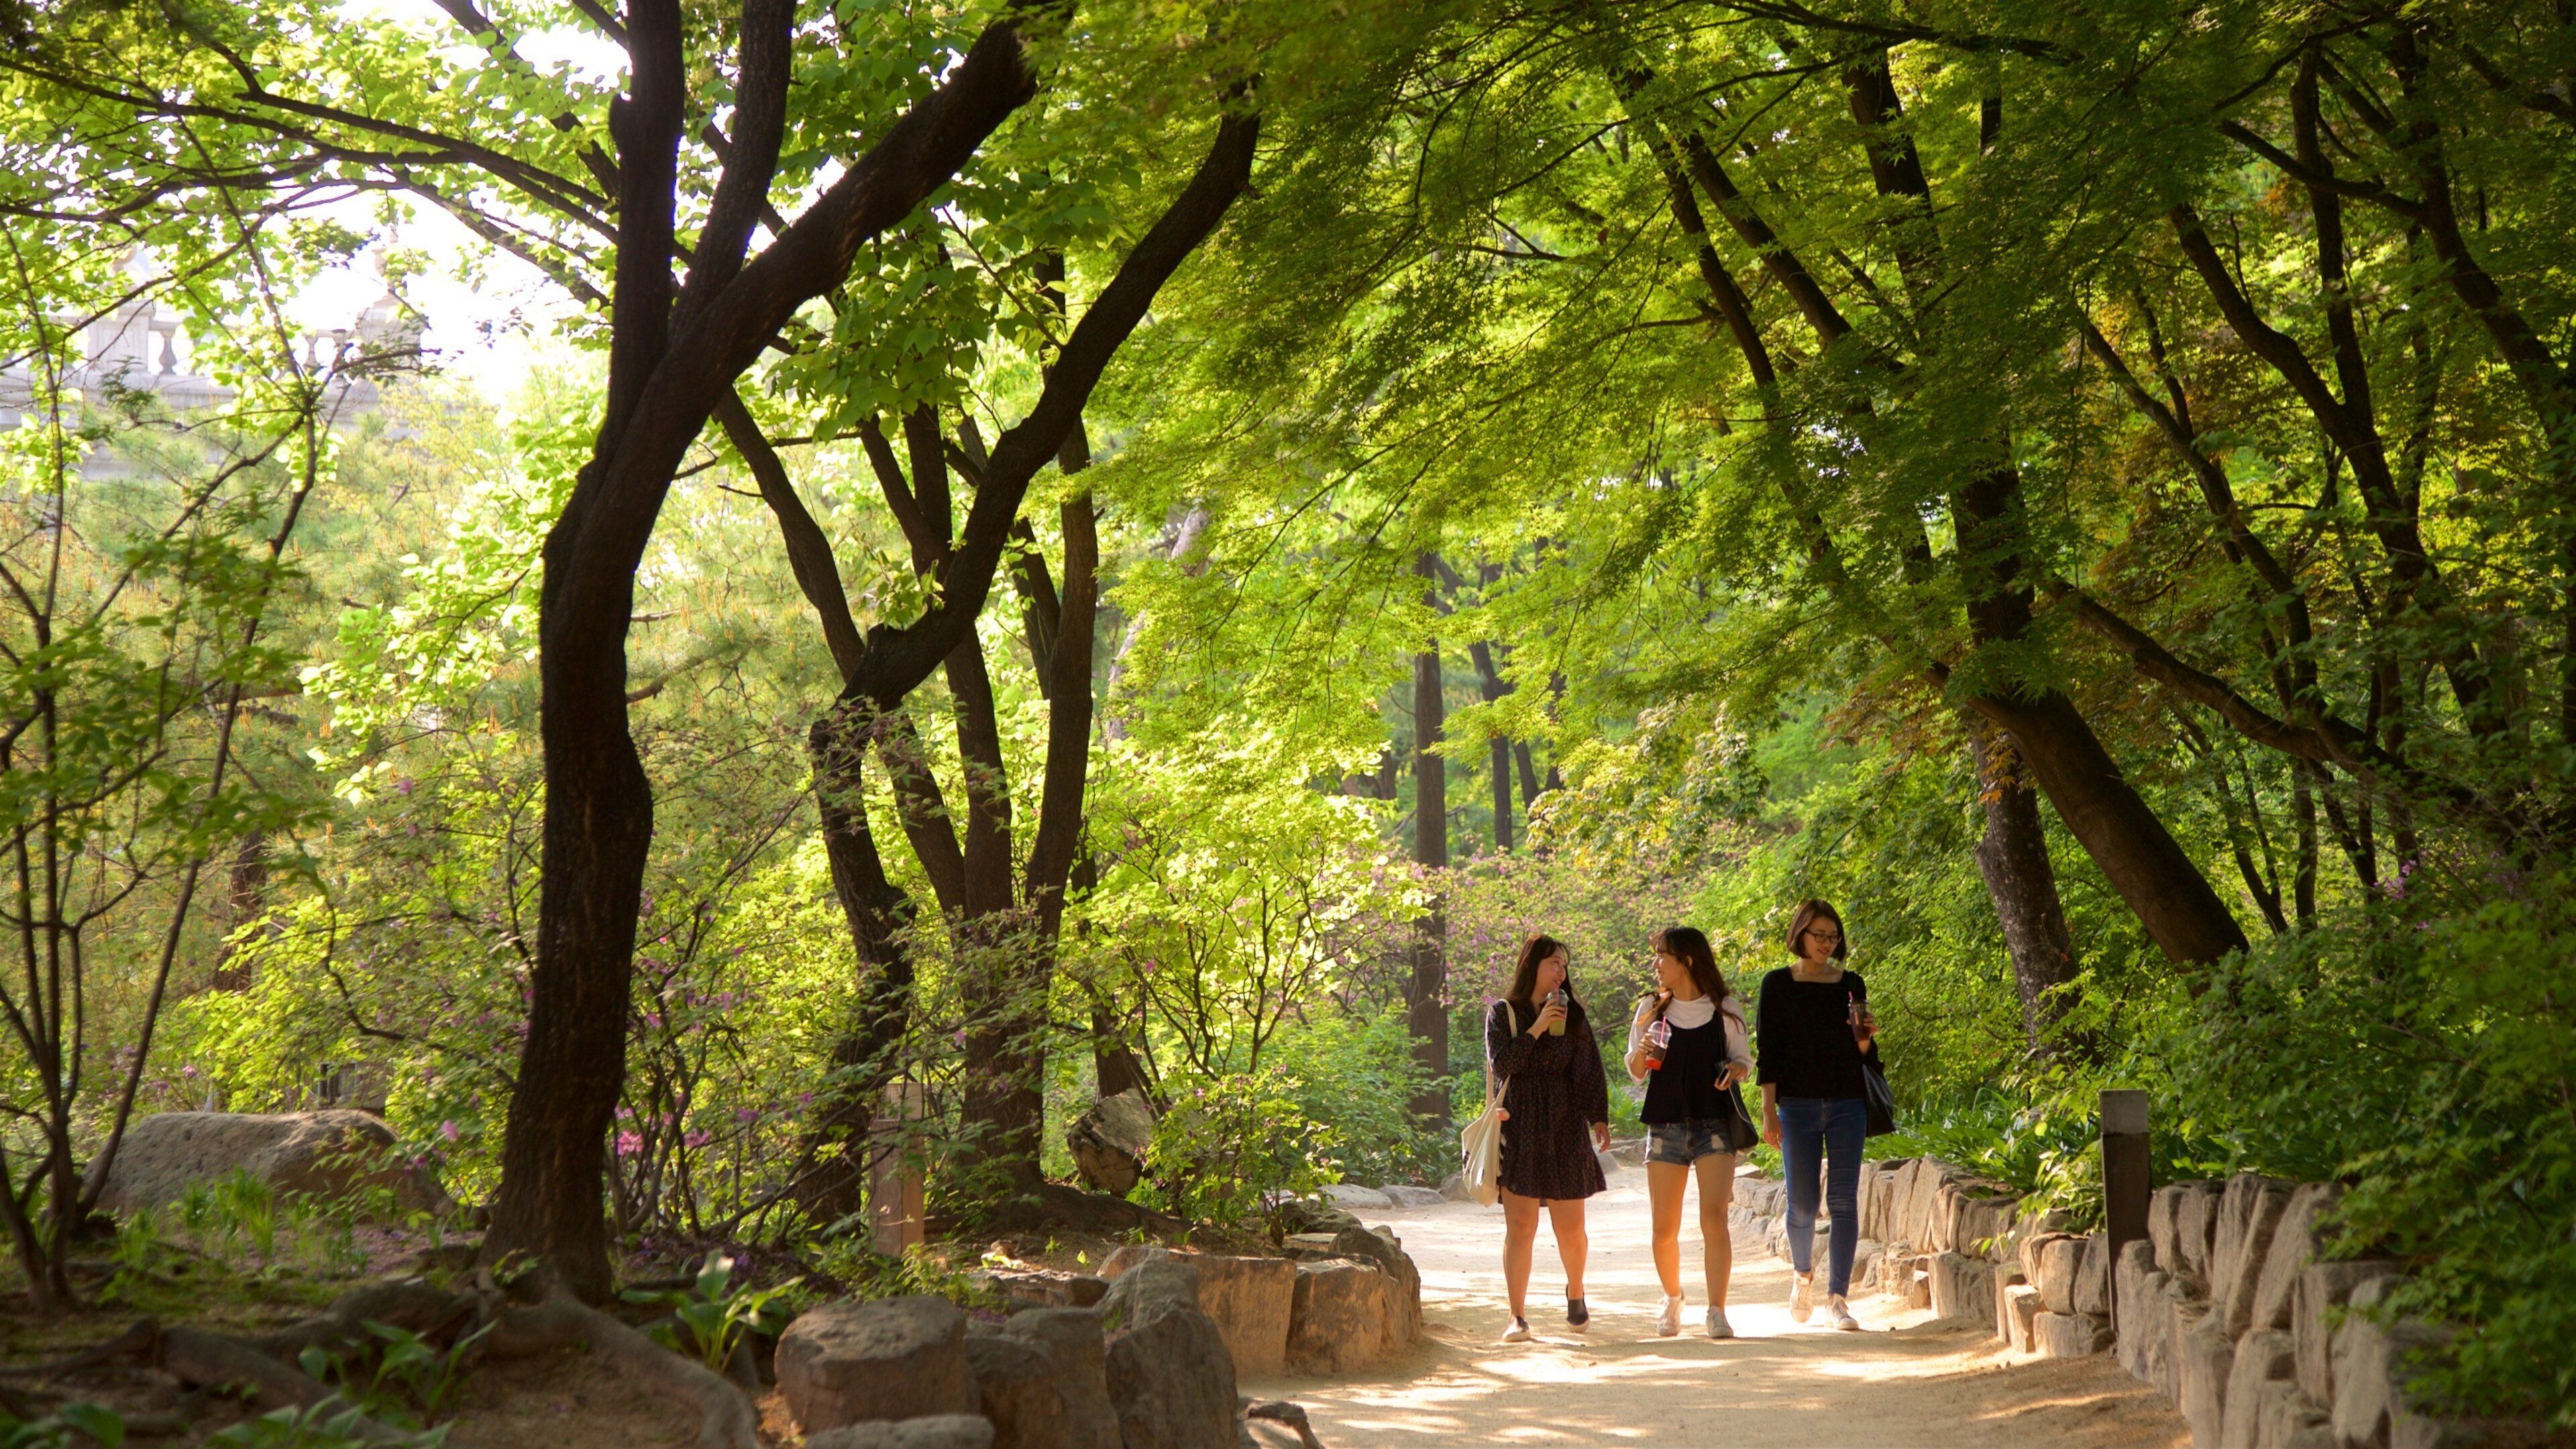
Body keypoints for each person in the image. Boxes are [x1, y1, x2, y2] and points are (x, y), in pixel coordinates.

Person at [1623, 925, 1754, 1339]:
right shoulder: (1651, 1008)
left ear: (1688, 961)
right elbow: (1636, 1071)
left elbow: (1743, 1063)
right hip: (1664, 1124)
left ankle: (1717, 1311)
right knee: (1664, 1228)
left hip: (1714, 1123)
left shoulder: (1724, 1008)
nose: (1656, 965)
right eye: (1656, 957)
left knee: (1714, 1219)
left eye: (1663, 956)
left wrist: (1735, 1070)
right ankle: (1673, 1298)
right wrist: (1640, 1052)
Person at [1756, 898, 1879, 1333]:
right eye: (1819, 935)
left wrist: (1863, 1037)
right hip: (1796, 1106)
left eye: (1833, 936)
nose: (1827, 943)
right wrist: (1769, 1111)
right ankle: (1802, 1274)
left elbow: (1865, 1054)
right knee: (1803, 1203)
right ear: (1800, 935)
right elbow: (1768, 1053)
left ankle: (1838, 1299)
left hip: (1848, 1102)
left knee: (1843, 1201)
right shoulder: (1776, 985)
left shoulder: (1851, 984)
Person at [1486, 933, 1612, 1343]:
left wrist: (1598, 1118)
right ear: (1532, 966)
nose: (1561, 972)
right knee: (1521, 1225)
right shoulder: (1503, 1013)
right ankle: (1517, 1315)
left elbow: (1589, 1067)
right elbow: (1504, 1065)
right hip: (1520, 1123)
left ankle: (1575, 1291)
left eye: (1564, 964)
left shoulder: (1573, 1014)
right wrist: (1538, 1026)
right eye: (1553, 963)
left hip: (1564, 1125)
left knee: (1570, 1228)